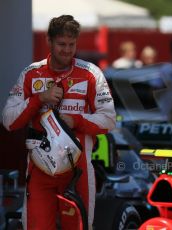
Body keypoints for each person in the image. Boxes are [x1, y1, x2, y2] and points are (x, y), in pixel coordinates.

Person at [2, 15, 116, 229]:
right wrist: (39, 99)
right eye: (61, 44)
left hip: (78, 171)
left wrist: (76, 121)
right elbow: (9, 121)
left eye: (72, 44)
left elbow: (109, 119)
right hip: (39, 170)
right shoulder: (31, 74)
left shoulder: (91, 74)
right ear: (49, 41)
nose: (67, 50)